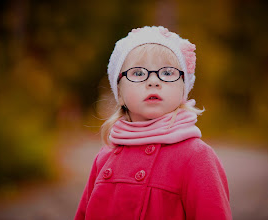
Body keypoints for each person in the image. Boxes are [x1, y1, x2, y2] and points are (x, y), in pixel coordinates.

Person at [74, 26, 232, 220]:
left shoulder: (196, 157)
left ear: (183, 90)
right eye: (139, 73)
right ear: (120, 93)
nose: (154, 81)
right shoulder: (105, 156)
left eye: (167, 73)